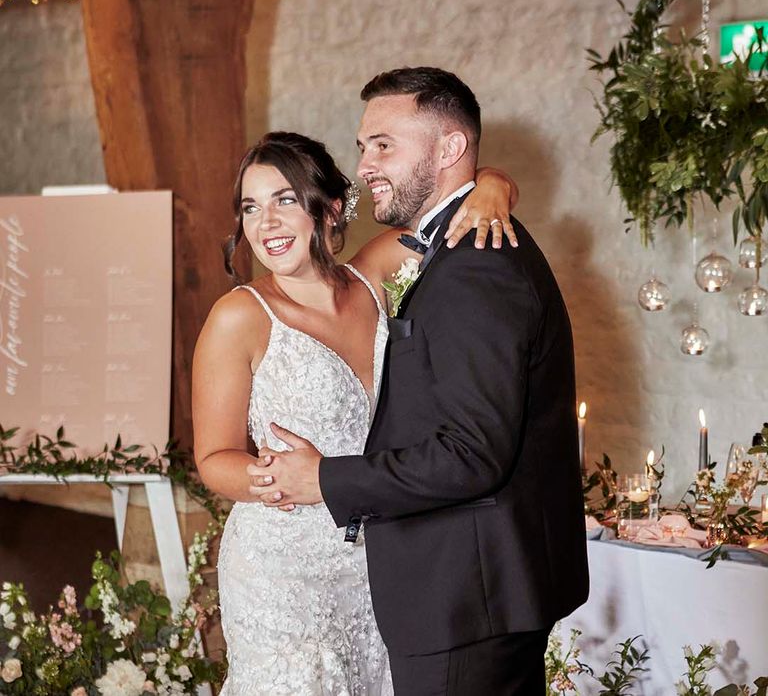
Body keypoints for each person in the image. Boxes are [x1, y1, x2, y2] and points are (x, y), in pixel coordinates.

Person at [252, 67, 590, 694]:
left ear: (449, 149)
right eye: (361, 147)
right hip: (458, 585)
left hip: (466, 593)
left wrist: (322, 478)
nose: (366, 164)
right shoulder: (440, 247)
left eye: (384, 144)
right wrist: (491, 183)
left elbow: (471, 452)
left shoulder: (474, 263)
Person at [192, 131, 518, 695]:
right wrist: (280, 479)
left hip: (380, 560)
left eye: (284, 200)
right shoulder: (239, 316)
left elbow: (467, 201)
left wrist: (492, 186)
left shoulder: (376, 276)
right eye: (250, 207)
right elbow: (213, 458)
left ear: (332, 207)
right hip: (283, 568)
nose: (265, 222)